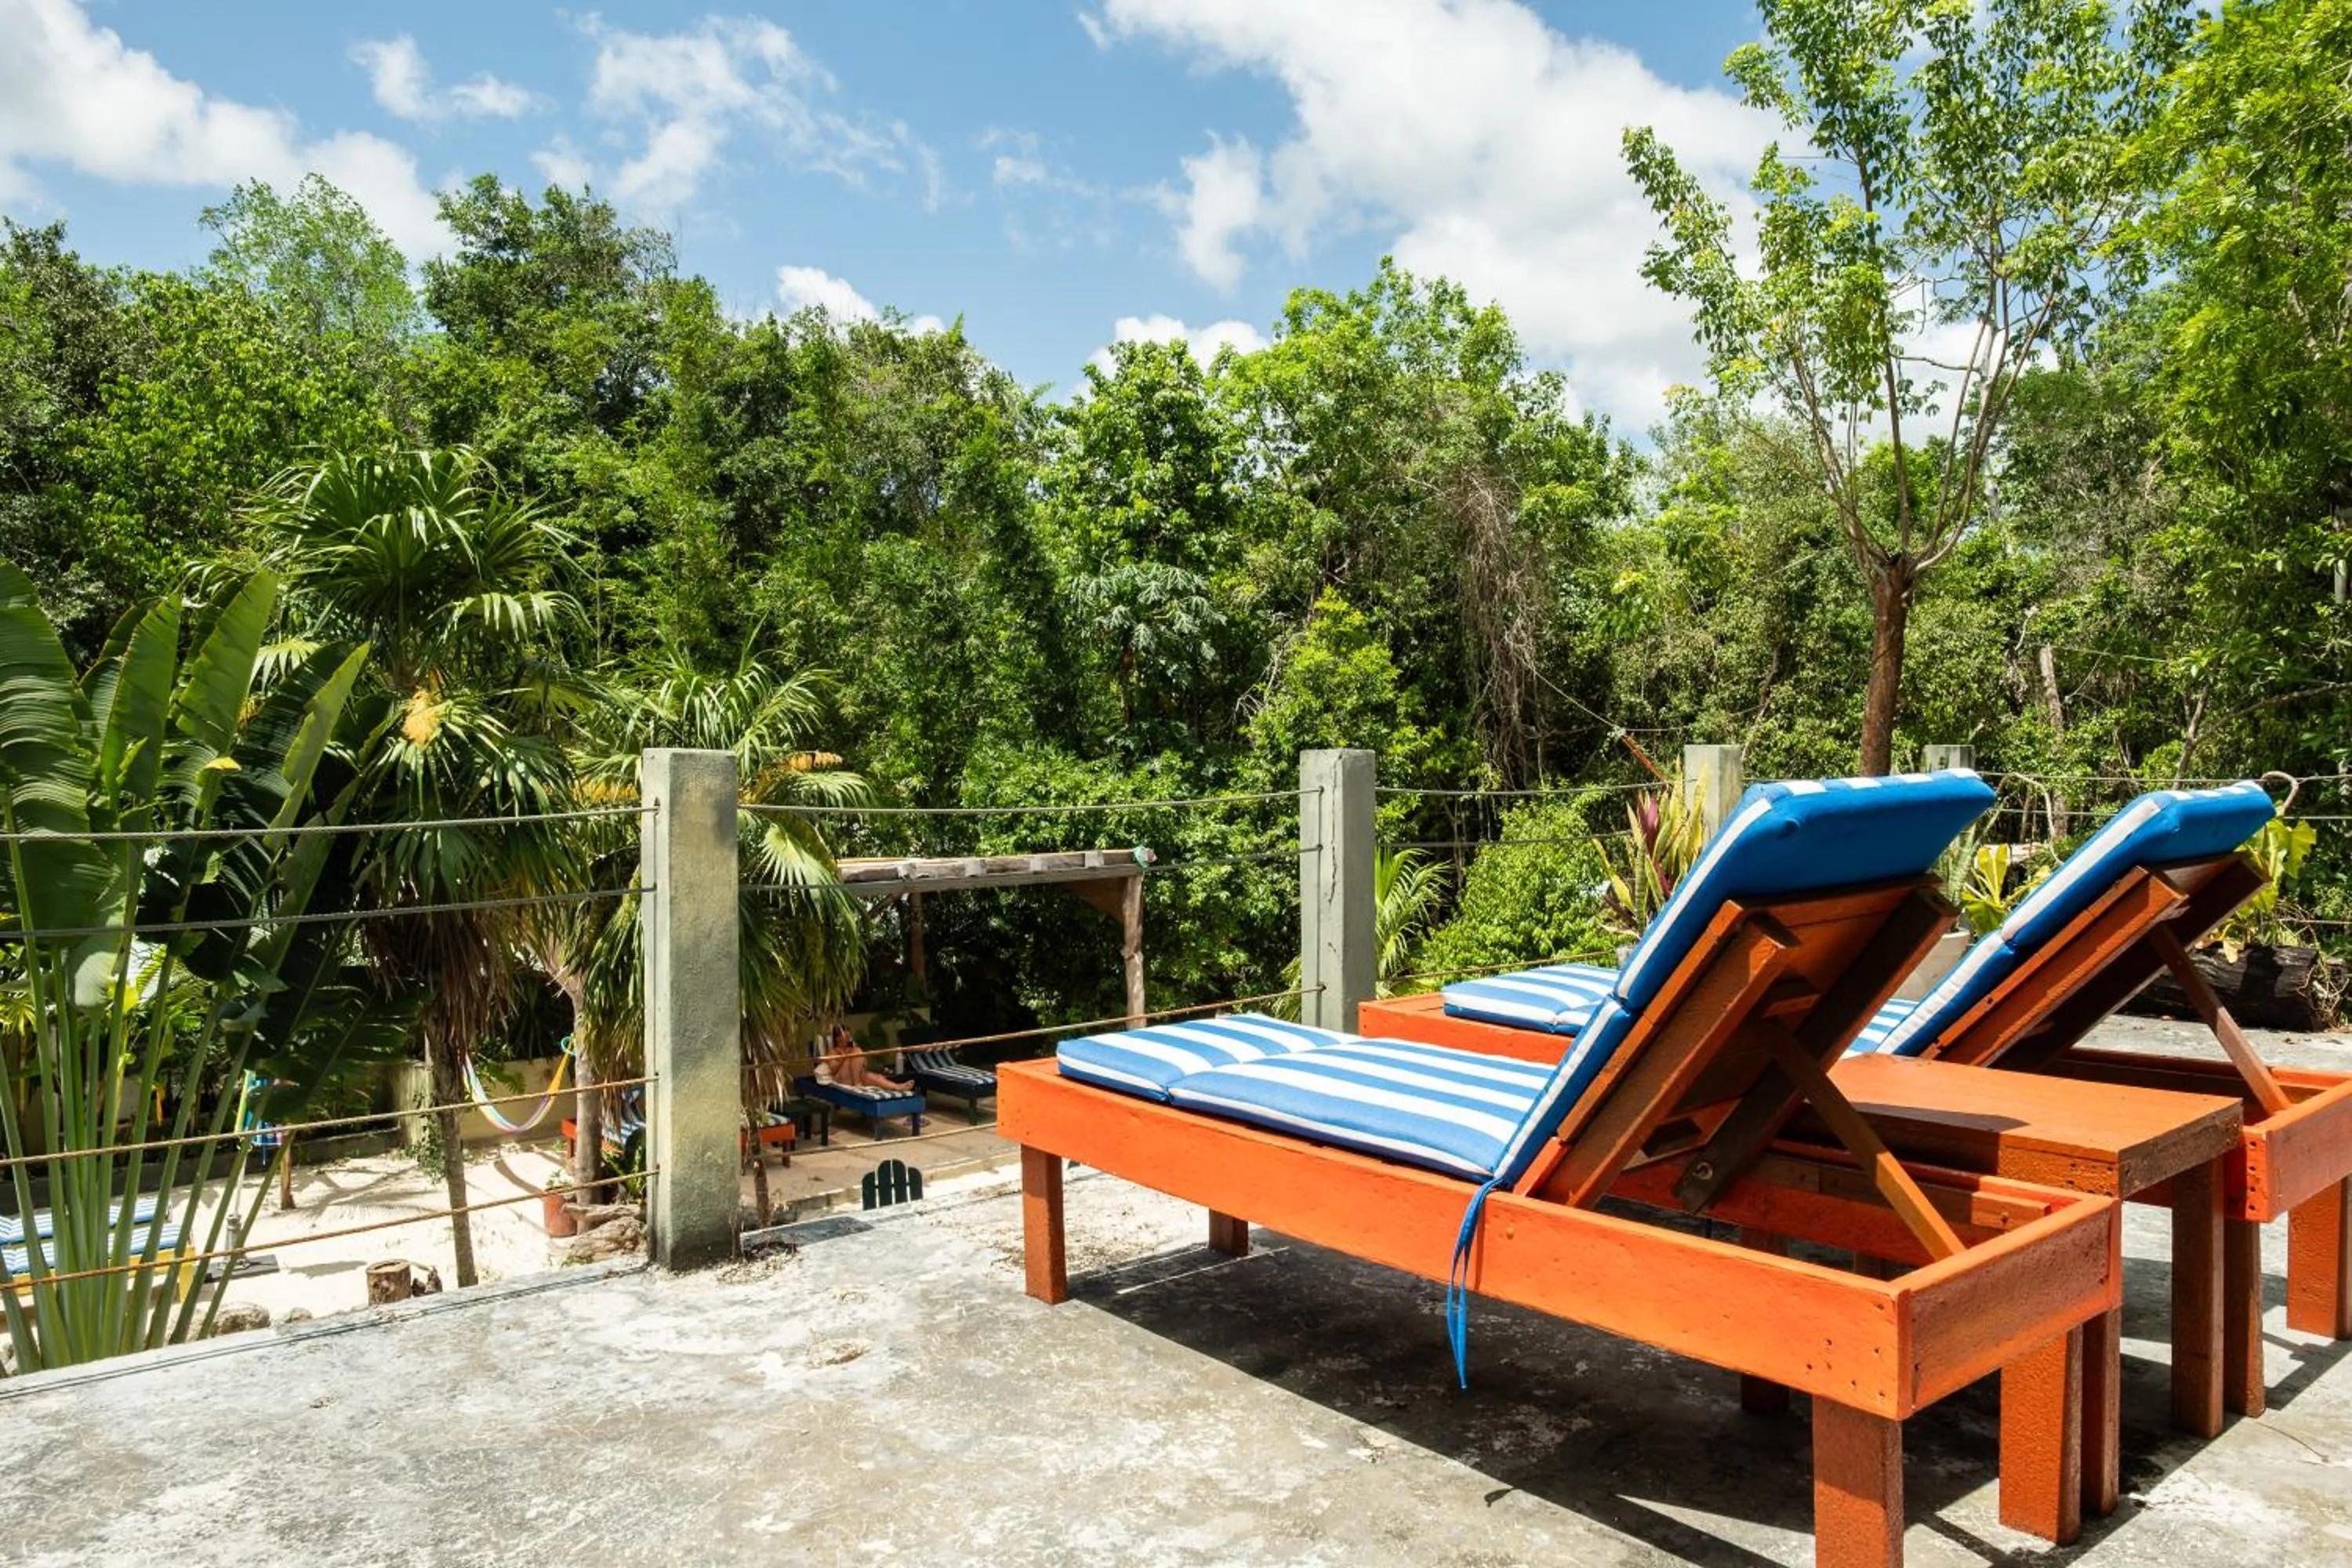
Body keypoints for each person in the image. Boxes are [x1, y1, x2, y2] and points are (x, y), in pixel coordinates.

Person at [815, 1023, 910, 1091]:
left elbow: (864, 1065)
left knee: (876, 1077)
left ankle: (898, 1087)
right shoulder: (833, 1051)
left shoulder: (852, 1049)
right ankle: (857, 1083)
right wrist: (843, 1057)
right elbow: (834, 1070)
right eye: (845, 1037)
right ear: (838, 1038)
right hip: (841, 1078)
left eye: (848, 1037)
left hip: (856, 1076)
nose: (847, 1040)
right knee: (857, 1052)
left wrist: (856, 1056)